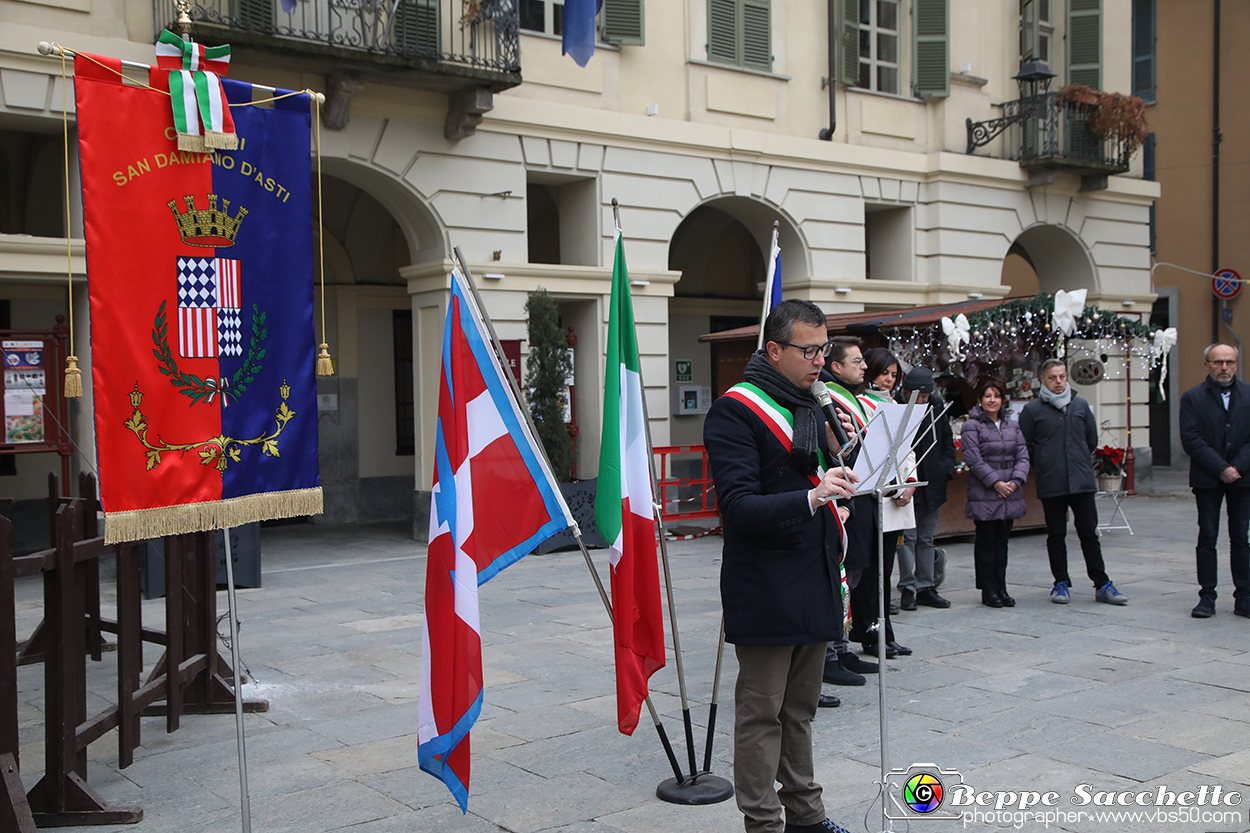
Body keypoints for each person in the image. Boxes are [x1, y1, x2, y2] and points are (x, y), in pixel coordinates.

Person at [703, 299, 857, 833]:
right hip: (766, 584)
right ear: (774, 349)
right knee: (761, 714)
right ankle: (764, 823)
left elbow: (821, 475)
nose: (820, 361)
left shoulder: (812, 404)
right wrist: (813, 499)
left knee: (801, 710)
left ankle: (807, 816)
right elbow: (739, 508)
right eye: (809, 350)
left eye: (824, 350)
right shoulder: (736, 410)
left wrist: (849, 480)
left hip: (813, 575)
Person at [1019, 359, 1128, 605]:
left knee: (1089, 533)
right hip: (1052, 481)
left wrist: (1076, 459)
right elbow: (1024, 445)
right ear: (1043, 380)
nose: (1058, 382)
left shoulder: (1080, 405)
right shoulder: (1033, 410)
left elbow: (1091, 440)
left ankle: (1102, 584)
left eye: (1061, 377)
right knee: (1056, 534)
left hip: (1081, 481)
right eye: (1052, 377)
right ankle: (1061, 582)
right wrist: (1045, 463)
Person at [819, 336, 883, 686]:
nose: (863, 366)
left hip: (860, 497)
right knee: (842, 578)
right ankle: (830, 654)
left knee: (855, 575)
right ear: (837, 367)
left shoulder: (855, 399)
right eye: (856, 361)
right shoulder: (829, 395)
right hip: (843, 497)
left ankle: (843, 648)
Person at [1179, 343, 1250, 619]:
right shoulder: (1193, 397)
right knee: (1208, 536)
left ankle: (1244, 596)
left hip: (1243, 478)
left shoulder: (1248, 394)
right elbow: (1191, 438)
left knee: (1241, 538)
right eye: (1218, 362)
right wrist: (1221, 468)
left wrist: (1236, 467)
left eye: (1229, 362)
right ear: (1207, 365)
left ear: (1236, 364)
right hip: (1208, 478)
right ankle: (1207, 596)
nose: (1224, 367)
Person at [856, 348, 912, 655]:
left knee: (886, 569)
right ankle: (872, 632)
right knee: (873, 571)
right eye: (884, 374)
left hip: (898, 494)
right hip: (878, 493)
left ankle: (886, 632)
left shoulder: (895, 402)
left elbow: (908, 449)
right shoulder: (863, 403)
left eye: (893, 375)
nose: (889, 380)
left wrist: (910, 482)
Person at [961, 380, 1030, 607]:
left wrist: (1015, 481)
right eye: (988, 396)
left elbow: (1023, 455)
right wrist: (996, 482)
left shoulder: (1012, 425)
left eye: (997, 396)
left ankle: (1002, 586)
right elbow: (974, 459)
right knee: (986, 542)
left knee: (1002, 542)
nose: (992, 400)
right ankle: (988, 589)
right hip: (986, 492)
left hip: (1010, 492)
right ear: (980, 400)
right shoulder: (972, 426)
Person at [895, 367, 956, 610]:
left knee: (926, 537)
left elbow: (947, 440)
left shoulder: (936, 406)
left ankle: (925, 585)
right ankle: (908, 586)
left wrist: (945, 469)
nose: (921, 400)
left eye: (925, 396)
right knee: (906, 538)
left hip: (933, 479)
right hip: (907, 481)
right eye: (917, 396)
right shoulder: (897, 407)